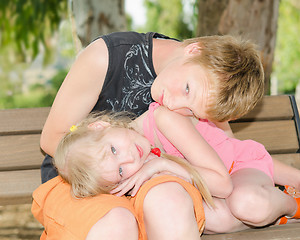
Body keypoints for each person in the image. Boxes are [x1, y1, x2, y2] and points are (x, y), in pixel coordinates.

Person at [40, 32, 265, 183]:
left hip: (158, 182)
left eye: (192, 112)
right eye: (186, 89)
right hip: (86, 179)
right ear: (195, 50)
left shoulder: (210, 88)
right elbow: (51, 139)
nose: (174, 104)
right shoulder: (105, 57)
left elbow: (225, 150)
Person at [32, 111, 209, 240]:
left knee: (167, 199)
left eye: (114, 150)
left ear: (100, 125)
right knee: (117, 222)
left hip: (131, 182)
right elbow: (50, 139)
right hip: (82, 183)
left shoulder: (160, 119)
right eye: (121, 170)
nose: (129, 157)